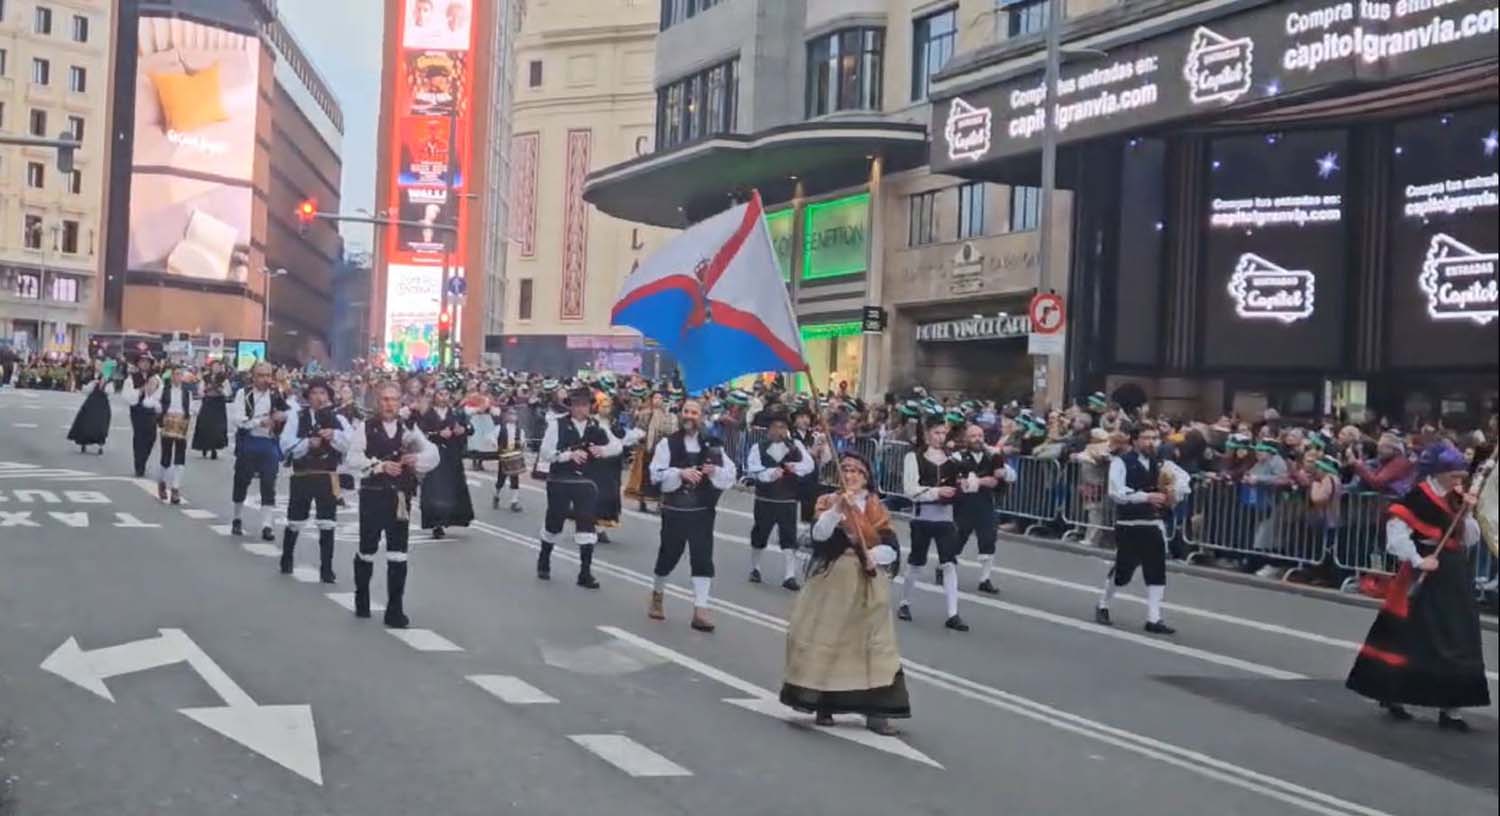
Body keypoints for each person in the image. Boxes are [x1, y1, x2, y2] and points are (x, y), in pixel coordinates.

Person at [1345, 443, 1490, 730]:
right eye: (1453, 476)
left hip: (1454, 575)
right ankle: (1393, 692)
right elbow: (1396, 533)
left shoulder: (1458, 499)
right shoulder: (1418, 498)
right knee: (1412, 636)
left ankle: (1451, 708)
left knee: (1458, 637)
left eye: (1461, 476)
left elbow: (1470, 539)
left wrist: (1468, 515)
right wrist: (1417, 559)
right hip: (1423, 574)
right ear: (1438, 473)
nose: (1458, 482)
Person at [781, 451, 909, 736]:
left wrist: (876, 554)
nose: (850, 475)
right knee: (829, 639)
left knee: (875, 645)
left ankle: (877, 712)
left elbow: (890, 544)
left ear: (866, 478)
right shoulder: (828, 501)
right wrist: (839, 508)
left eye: (857, 471)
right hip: (834, 581)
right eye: (846, 470)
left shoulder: (875, 507)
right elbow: (819, 535)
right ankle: (824, 704)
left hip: (867, 581)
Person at [343, 383, 440, 628]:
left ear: (400, 403)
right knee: (367, 548)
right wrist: (380, 466)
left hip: (399, 499)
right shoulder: (365, 427)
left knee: (398, 553)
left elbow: (433, 454)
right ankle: (361, 596)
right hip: (373, 495)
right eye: (385, 400)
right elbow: (353, 459)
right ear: (378, 402)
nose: (389, 404)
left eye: (394, 400)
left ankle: (394, 610)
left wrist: (416, 458)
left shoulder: (409, 429)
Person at [648, 398, 738, 632]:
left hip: (702, 510)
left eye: (694, 412)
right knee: (668, 554)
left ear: (701, 416)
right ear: (681, 414)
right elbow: (655, 474)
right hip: (675, 509)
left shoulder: (712, 444)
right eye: (686, 411)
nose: (689, 416)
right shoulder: (668, 444)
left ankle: (701, 608)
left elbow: (730, 474)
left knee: (702, 557)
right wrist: (680, 473)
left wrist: (714, 470)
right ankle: (658, 594)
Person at [1095, 426, 1190, 634]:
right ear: (1134, 440)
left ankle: (1154, 618)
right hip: (1129, 523)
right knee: (1124, 569)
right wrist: (1146, 497)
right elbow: (1116, 492)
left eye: (1154, 438)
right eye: (1146, 438)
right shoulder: (1121, 462)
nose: (1151, 442)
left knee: (1156, 568)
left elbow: (1183, 480)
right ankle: (1103, 604)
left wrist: (1174, 494)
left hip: (1153, 522)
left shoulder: (1161, 463)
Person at [537, 387, 620, 587]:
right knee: (554, 522)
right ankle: (545, 557)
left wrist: (603, 450)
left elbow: (617, 445)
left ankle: (585, 573)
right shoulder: (557, 424)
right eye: (577, 405)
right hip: (561, 480)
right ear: (571, 406)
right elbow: (546, 452)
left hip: (587, 482)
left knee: (587, 524)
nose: (581, 408)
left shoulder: (597, 425)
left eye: (584, 404)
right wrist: (568, 456)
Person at [898, 415, 967, 631]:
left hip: (945, 518)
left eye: (943, 433)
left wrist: (966, 485)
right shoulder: (914, 457)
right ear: (927, 433)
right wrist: (937, 491)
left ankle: (953, 613)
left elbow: (963, 482)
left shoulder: (952, 459)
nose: (940, 437)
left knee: (949, 564)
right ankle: (905, 602)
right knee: (916, 564)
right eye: (936, 432)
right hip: (922, 517)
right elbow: (910, 489)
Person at [278, 379, 348, 582]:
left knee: (328, 522)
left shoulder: (338, 419)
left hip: (328, 476)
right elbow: (285, 444)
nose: (319, 397)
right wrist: (308, 443)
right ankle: (287, 557)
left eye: (323, 393)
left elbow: (350, 445)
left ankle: (327, 567)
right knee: (295, 520)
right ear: (308, 396)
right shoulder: (296, 417)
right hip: (303, 475)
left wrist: (334, 435)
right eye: (315, 393)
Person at [745, 406, 814, 590]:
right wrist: (769, 474)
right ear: (769, 429)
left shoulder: (795, 446)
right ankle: (755, 567)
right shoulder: (758, 447)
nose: (779, 431)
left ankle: (789, 576)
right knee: (760, 533)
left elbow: (808, 465)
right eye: (776, 427)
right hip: (765, 499)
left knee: (789, 537)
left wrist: (794, 467)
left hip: (788, 498)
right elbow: (753, 468)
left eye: (783, 427)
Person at [951, 424, 1015, 594]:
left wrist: (981, 480)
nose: (977, 439)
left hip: (985, 503)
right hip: (963, 504)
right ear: (966, 439)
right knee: (957, 538)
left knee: (989, 539)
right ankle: (944, 568)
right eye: (973, 436)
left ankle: (984, 579)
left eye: (980, 435)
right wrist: (978, 481)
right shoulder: (958, 456)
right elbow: (955, 479)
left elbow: (999, 478)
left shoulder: (992, 456)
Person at [229, 363, 290, 541]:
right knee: (242, 479)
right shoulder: (243, 394)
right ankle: (237, 517)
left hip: (269, 442)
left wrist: (281, 417)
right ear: (253, 376)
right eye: (261, 375)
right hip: (249, 440)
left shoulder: (275, 393)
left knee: (269, 482)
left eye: (268, 375)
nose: (265, 379)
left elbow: (288, 412)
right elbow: (238, 419)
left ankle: (267, 525)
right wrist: (258, 422)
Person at [418, 386, 475, 539]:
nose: (443, 397)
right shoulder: (428, 415)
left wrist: (462, 430)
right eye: (440, 394)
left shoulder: (456, 413)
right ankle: (436, 524)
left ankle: (452, 518)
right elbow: (421, 434)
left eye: (446, 394)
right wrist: (438, 434)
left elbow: (470, 428)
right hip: (434, 456)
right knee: (435, 489)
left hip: (452, 455)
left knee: (452, 487)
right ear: (435, 397)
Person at [155, 366, 196, 504]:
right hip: (167, 423)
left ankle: (175, 488)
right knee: (166, 456)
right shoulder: (164, 390)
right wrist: (163, 414)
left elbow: (191, 407)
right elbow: (157, 404)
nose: (177, 377)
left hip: (181, 424)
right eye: (175, 374)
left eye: (180, 374)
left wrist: (187, 415)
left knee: (180, 456)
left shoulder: (187, 392)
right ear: (171, 376)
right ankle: (162, 482)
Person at [119, 357, 162, 478]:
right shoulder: (131, 378)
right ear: (138, 364)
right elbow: (126, 396)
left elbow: (161, 393)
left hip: (151, 410)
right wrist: (141, 391)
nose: (145, 364)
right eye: (142, 362)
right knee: (139, 436)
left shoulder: (156, 378)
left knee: (151, 436)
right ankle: (139, 465)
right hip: (137, 409)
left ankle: (144, 459)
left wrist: (156, 404)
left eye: (147, 362)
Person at [192, 360, 231, 459]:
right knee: (205, 425)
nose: (216, 368)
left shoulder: (224, 379)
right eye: (214, 366)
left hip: (218, 404)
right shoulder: (206, 378)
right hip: (208, 403)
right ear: (211, 367)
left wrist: (220, 390)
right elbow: (200, 392)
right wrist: (207, 389)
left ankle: (214, 448)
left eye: (218, 366)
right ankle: (204, 447)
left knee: (217, 427)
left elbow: (228, 393)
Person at [490, 405, 526, 512]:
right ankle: (496, 495)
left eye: (514, 414)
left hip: (515, 456)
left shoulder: (520, 430)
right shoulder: (500, 428)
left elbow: (523, 441)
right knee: (501, 478)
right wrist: (496, 446)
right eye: (510, 414)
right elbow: (492, 437)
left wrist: (522, 446)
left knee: (515, 479)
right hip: (504, 456)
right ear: (506, 416)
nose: (513, 416)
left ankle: (514, 502)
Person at [67, 374, 112, 454]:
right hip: (91, 404)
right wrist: (94, 383)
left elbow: (110, 392)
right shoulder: (94, 382)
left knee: (101, 425)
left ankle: (100, 444)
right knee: (86, 423)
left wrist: (103, 385)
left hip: (102, 405)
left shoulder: (109, 384)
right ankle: (84, 442)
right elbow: (85, 391)